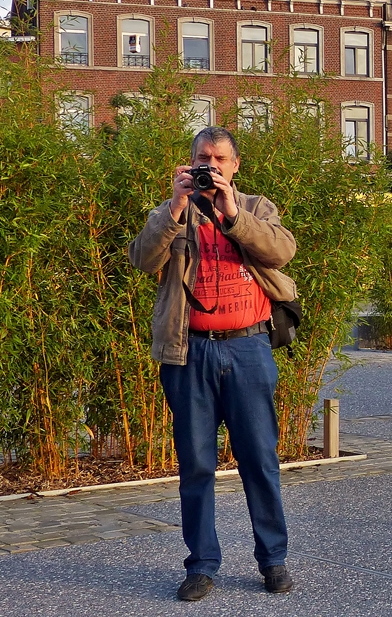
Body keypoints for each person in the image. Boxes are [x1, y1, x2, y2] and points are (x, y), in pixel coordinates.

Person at [129, 126, 298, 602]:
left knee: (260, 459)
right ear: (189, 162)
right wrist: (175, 206)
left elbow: (281, 251)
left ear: (235, 165)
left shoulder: (256, 206)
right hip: (189, 352)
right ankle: (201, 565)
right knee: (197, 463)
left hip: (248, 348)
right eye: (204, 158)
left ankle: (273, 560)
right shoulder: (171, 212)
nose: (212, 166)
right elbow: (142, 260)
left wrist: (232, 213)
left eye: (220, 159)